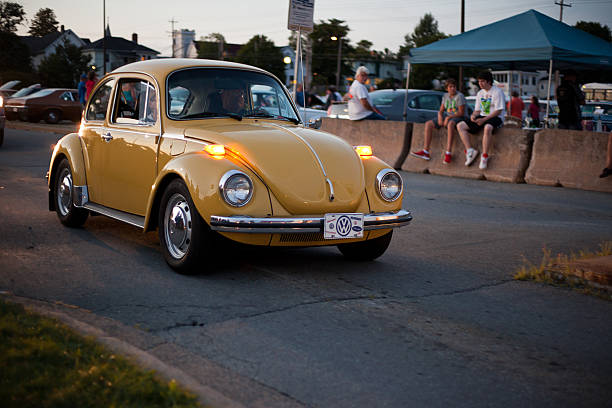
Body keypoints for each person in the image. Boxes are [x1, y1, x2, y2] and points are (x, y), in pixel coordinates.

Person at [456, 70, 505, 170]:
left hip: (495, 117)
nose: (480, 84)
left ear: (489, 81)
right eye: (479, 81)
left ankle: (484, 156)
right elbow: (477, 110)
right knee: (460, 125)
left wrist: (484, 120)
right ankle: (470, 150)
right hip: (482, 116)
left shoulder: (497, 92)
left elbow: (498, 111)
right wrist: (473, 116)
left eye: (482, 81)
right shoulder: (480, 93)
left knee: (487, 128)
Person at [411, 78, 467, 164]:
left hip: (458, 117)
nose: (453, 88)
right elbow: (441, 110)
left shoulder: (460, 96)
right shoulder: (445, 96)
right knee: (428, 124)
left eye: (454, 87)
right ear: (447, 89)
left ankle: (448, 152)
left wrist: (448, 118)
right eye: (450, 87)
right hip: (448, 116)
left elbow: (461, 113)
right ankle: (426, 151)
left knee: (450, 124)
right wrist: (440, 117)